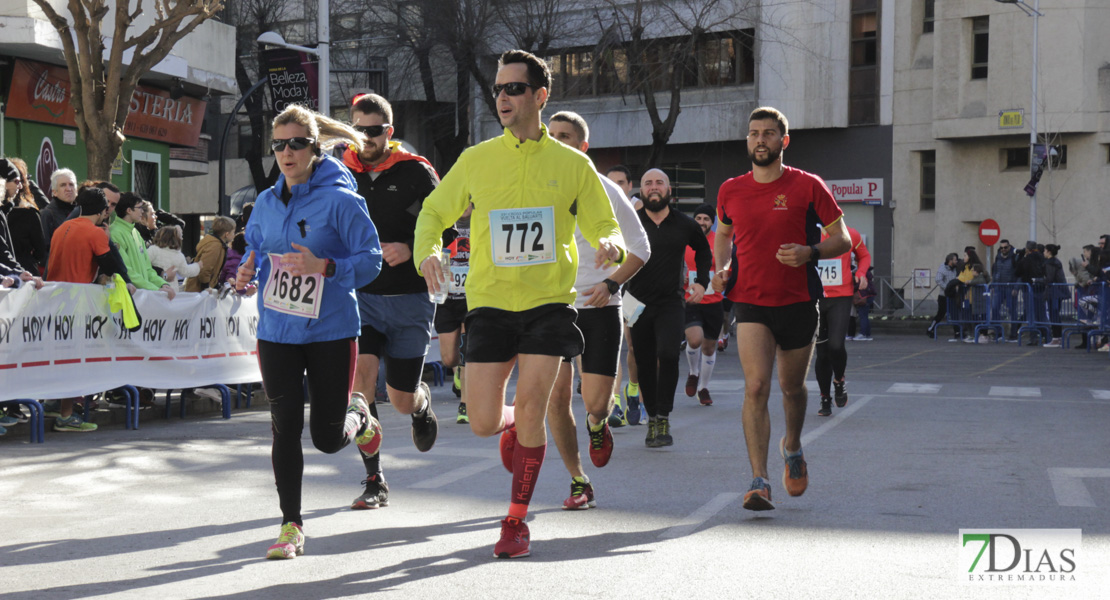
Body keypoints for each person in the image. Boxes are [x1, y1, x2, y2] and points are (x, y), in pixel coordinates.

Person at [413, 49, 625, 558]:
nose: (503, 98)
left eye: (513, 89)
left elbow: (601, 220)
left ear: (540, 96)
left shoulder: (574, 164)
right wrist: (428, 252)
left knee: (535, 407)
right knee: (485, 421)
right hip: (489, 305)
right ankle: (508, 424)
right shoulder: (477, 159)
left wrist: (610, 241)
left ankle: (515, 522)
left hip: (549, 304)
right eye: (499, 90)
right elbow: (434, 211)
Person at [233, 104, 384, 560]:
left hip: (331, 332)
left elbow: (372, 259)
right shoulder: (263, 202)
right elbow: (257, 247)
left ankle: (360, 417)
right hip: (277, 330)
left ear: (314, 147)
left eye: (296, 143)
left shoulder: (341, 200)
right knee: (284, 427)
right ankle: (290, 525)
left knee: (325, 437)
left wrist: (328, 266)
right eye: (278, 144)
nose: (286, 152)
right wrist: (246, 269)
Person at [710, 106, 850, 511]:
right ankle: (759, 479)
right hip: (750, 300)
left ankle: (792, 446)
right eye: (754, 133)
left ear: (783, 141)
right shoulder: (731, 189)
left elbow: (841, 239)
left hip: (799, 301)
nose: (760, 140)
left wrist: (810, 251)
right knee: (755, 386)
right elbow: (723, 234)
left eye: (769, 133)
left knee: (791, 388)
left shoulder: (808, 186)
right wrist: (719, 268)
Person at [545, 110, 649, 509]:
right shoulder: (534, 186)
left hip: (597, 301)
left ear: (582, 146)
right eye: (550, 135)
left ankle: (597, 423)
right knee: (556, 396)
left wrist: (610, 284)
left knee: (594, 401)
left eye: (565, 136)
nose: (555, 142)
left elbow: (641, 247)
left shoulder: (606, 189)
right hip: (551, 303)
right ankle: (577, 479)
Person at [343, 92, 441, 511]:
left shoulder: (417, 171)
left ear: (390, 131)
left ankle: (420, 402)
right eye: (358, 130)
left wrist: (410, 246)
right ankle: (374, 478)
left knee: (398, 397)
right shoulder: (339, 169)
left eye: (374, 131)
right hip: (360, 296)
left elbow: (448, 223)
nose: (365, 138)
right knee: (361, 386)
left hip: (409, 298)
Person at [625, 169, 711, 447]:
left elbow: (704, 251)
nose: (653, 187)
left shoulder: (684, 224)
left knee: (667, 354)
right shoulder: (632, 223)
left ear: (668, 190)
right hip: (635, 302)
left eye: (658, 182)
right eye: (647, 183)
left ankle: (663, 415)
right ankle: (652, 419)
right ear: (642, 191)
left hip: (671, 302)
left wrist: (701, 282)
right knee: (644, 360)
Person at [45, 187, 133, 431]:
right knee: (73, 360)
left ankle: (56, 405)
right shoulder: (95, 233)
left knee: (59, 357)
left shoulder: (62, 227)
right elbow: (112, 266)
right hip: (78, 303)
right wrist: (107, 239)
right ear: (104, 211)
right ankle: (65, 415)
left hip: (53, 301)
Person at [813, 224, 870, 416]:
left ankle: (839, 380)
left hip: (841, 296)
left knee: (836, 346)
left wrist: (861, 273)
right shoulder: (808, 233)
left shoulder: (849, 233)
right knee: (821, 353)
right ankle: (824, 398)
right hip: (816, 298)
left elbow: (864, 256)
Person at [605, 165, 644, 424]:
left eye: (621, 182)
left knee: (633, 344)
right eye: (611, 182)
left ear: (630, 186)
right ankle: (615, 403)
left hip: (633, 285)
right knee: (613, 346)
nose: (616, 187)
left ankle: (633, 389)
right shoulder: (599, 205)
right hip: (607, 282)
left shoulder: (641, 209)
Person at [682, 203, 724, 406]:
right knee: (695, 340)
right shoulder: (685, 241)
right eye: (698, 218)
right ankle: (693, 372)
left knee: (708, 348)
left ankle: (703, 387)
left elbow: (727, 266)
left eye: (706, 219)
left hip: (714, 302)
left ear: (711, 222)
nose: (702, 222)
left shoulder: (719, 242)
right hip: (691, 299)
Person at [435, 205, 472, 423]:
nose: (464, 207)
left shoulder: (482, 221)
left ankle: (465, 405)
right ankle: (458, 371)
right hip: (447, 298)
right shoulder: (443, 223)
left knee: (468, 351)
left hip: (473, 298)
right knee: (449, 359)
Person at [109, 193, 176, 299]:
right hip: (129, 296)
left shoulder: (136, 232)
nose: (142, 211)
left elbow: (147, 269)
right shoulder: (115, 233)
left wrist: (162, 284)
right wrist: (155, 289)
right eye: (139, 208)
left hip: (143, 296)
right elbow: (126, 270)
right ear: (129, 210)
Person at [2, 158, 47, 276]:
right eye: (17, 181)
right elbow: (40, 251)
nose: (20, 186)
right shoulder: (29, 212)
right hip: (21, 272)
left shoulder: (6, 211)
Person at [185, 216, 234, 292]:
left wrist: (216, 285)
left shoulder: (218, 245)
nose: (234, 235)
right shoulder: (215, 246)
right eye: (233, 232)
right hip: (198, 290)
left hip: (201, 289)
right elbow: (205, 268)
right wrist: (206, 286)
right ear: (227, 234)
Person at [147, 226, 200, 293]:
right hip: (171, 290)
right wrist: (198, 266)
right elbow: (186, 271)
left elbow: (145, 266)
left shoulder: (152, 250)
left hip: (154, 288)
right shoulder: (178, 256)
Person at [39, 168, 78, 257]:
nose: (68, 189)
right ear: (54, 192)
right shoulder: (46, 214)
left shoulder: (82, 213)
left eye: (71, 185)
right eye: (63, 185)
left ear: (76, 191)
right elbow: (44, 249)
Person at [991, 239, 1020, 341]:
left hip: (1010, 287)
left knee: (1012, 311)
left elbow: (1019, 274)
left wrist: (1016, 287)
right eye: (1001, 247)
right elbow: (995, 272)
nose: (1003, 249)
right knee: (994, 308)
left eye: (1005, 247)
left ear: (1009, 247)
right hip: (999, 287)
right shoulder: (998, 257)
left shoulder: (1015, 257)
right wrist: (993, 285)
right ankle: (998, 333)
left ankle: (1013, 335)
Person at [926, 253, 960, 340]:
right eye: (955, 260)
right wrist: (947, 288)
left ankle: (957, 332)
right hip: (943, 296)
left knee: (954, 314)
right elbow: (938, 280)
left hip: (952, 295)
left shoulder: (955, 269)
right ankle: (930, 329)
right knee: (941, 314)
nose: (957, 261)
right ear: (950, 261)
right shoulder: (943, 268)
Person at [1042, 244, 1067, 347]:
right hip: (1058, 291)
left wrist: (1038, 280)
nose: (1043, 252)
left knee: (1054, 314)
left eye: (1044, 250)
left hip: (1054, 292)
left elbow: (1049, 278)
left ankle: (1056, 338)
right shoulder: (1056, 262)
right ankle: (1058, 338)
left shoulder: (1051, 263)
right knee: (1055, 314)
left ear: (1048, 252)